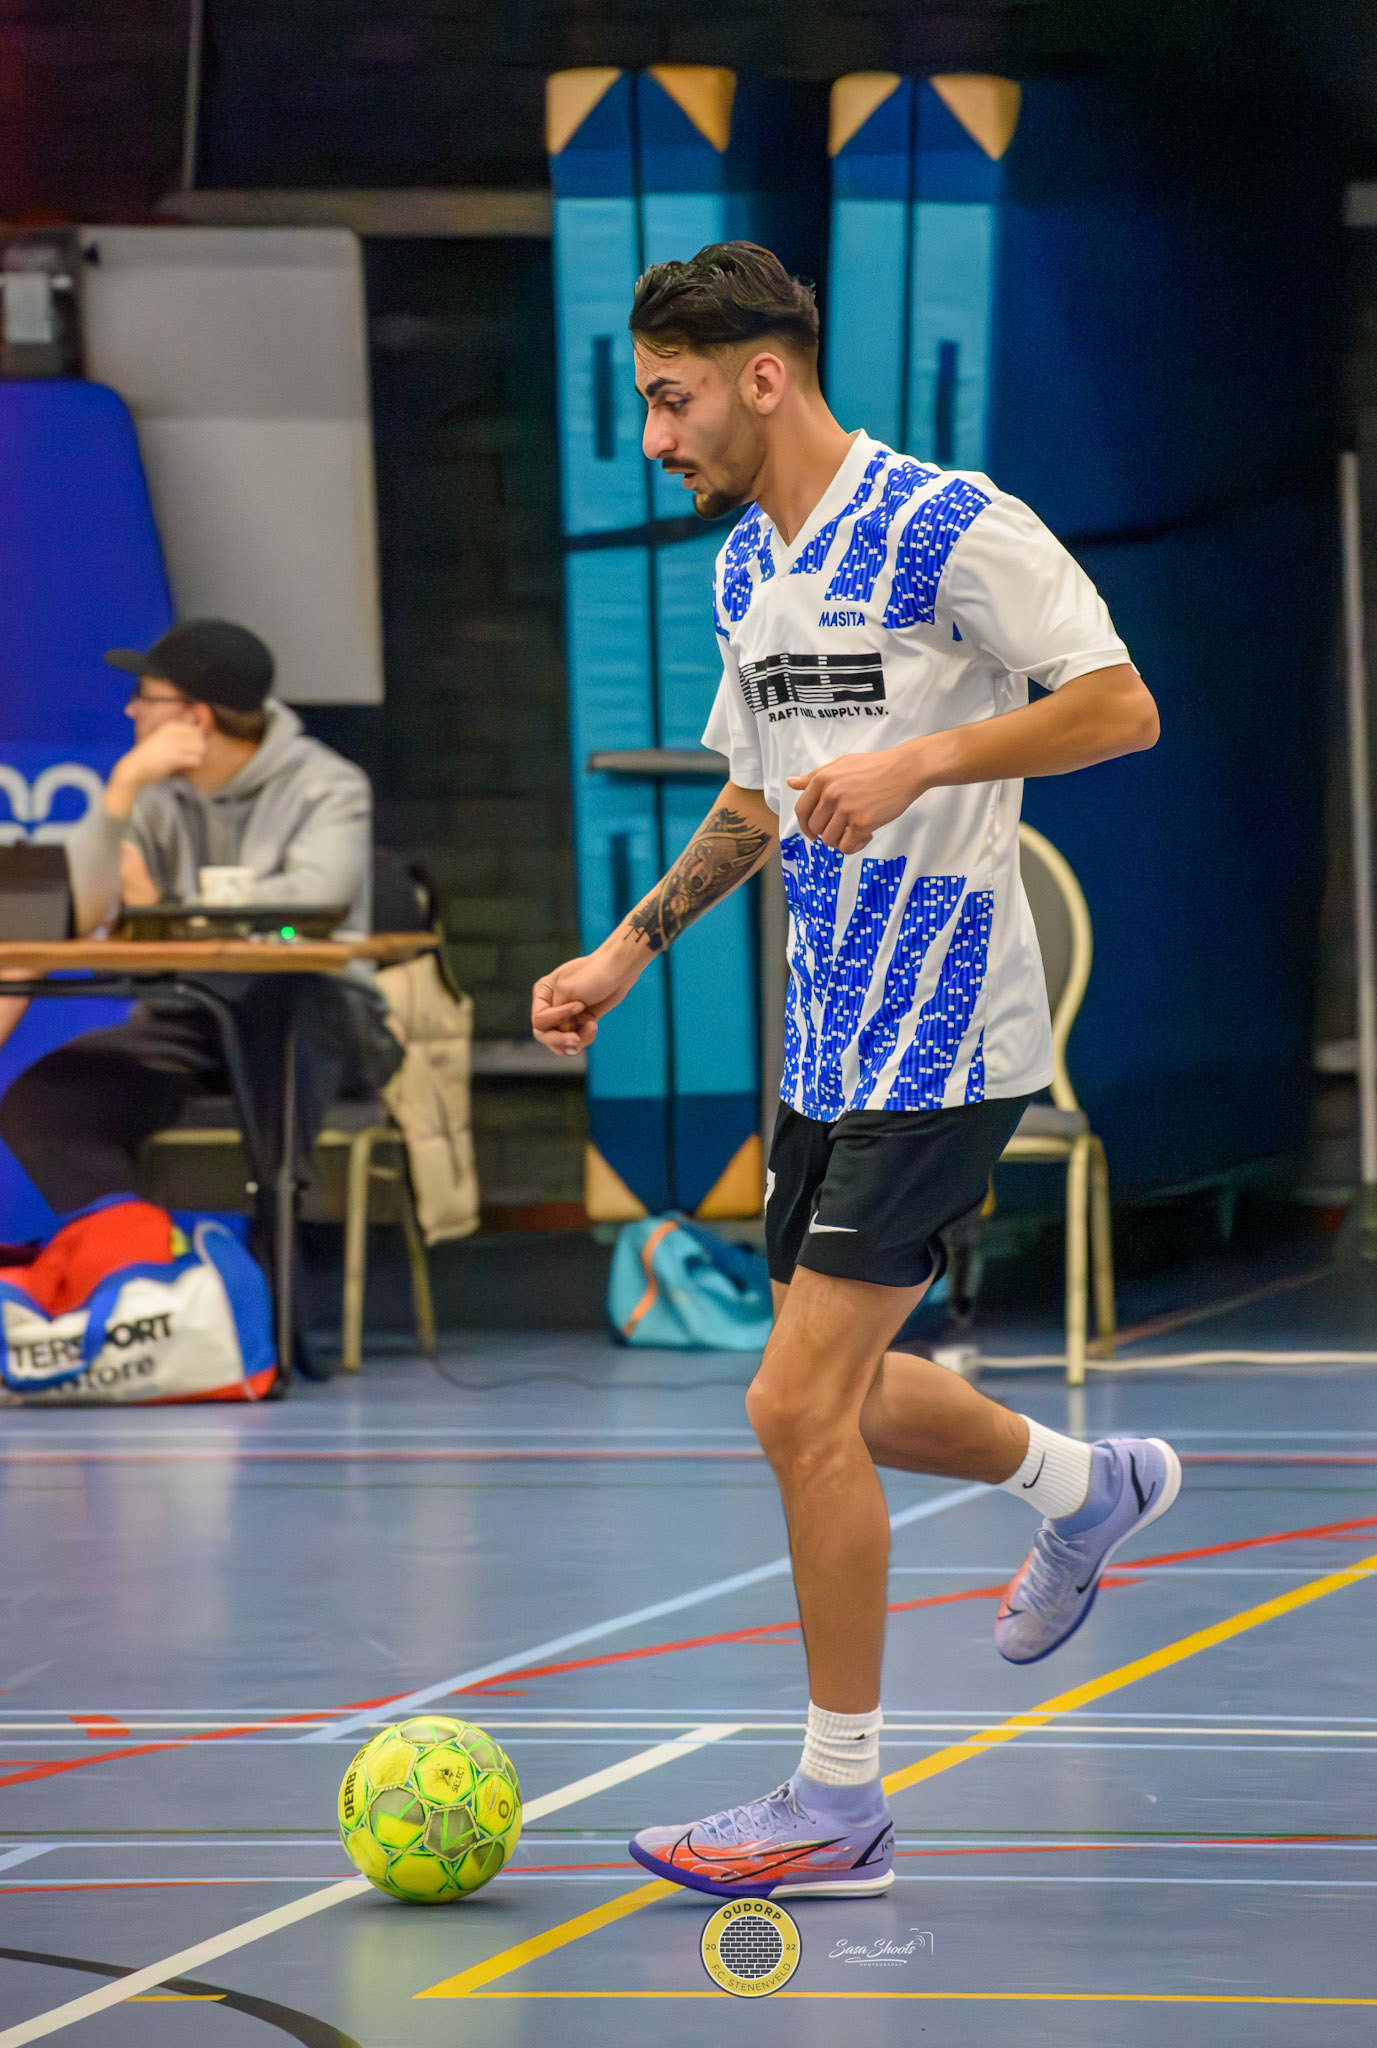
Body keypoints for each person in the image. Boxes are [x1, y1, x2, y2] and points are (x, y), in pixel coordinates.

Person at [531, 243, 1179, 1901]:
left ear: (761, 376)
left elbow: (1118, 709)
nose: (654, 438)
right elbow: (755, 799)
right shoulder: (747, 572)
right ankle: (1085, 1485)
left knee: (791, 1403)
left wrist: (922, 759)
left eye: (670, 399)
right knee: (855, 1388)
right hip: (825, 1039)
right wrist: (622, 953)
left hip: (946, 1029)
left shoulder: (950, 524)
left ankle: (837, 1802)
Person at [0, 618, 398, 1258]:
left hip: (322, 1016)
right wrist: (122, 790)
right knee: (45, 1104)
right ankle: (141, 1263)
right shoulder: (153, 792)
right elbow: (78, 908)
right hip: (194, 1017)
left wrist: (169, 909)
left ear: (195, 717)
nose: (131, 710)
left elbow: (311, 905)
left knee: (284, 1017)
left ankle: (274, 1285)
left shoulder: (327, 784)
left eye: (145, 696)